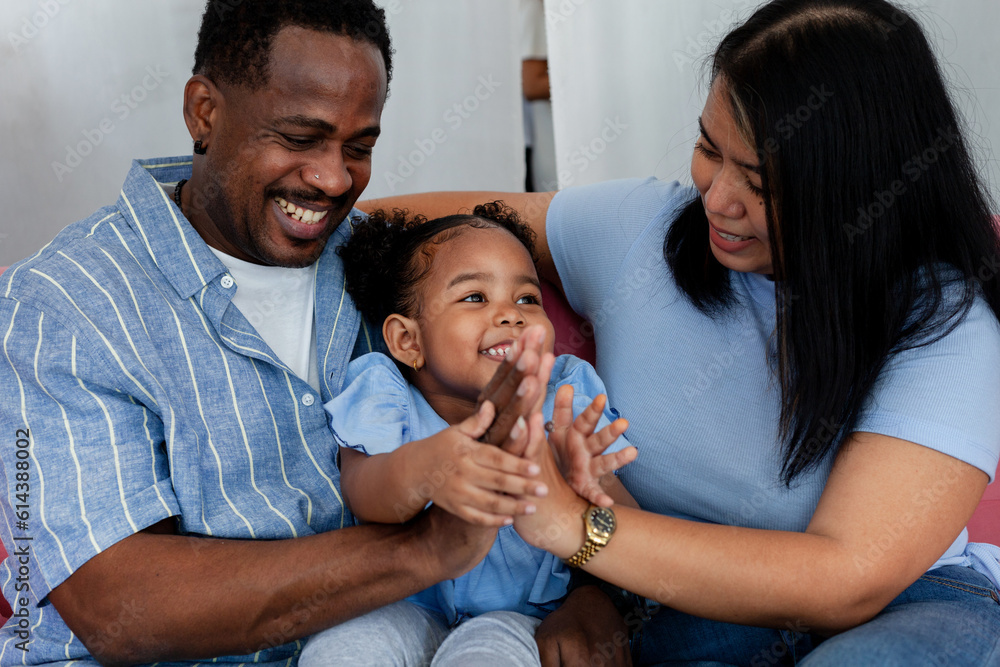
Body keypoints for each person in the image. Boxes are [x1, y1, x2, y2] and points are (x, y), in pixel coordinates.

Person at [360, 0, 1000, 663]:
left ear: (850, 186)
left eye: (758, 182)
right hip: (687, 611)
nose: (716, 197)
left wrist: (575, 526)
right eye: (707, 148)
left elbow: (845, 577)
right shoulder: (643, 230)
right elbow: (432, 232)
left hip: (906, 608)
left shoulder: (942, 321)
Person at [0, 2, 630, 665]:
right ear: (204, 113)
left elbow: (544, 448)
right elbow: (117, 607)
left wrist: (590, 585)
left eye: (359, 148)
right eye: (300, 137)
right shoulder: (64, 302)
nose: (334, 179)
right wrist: (423, 548)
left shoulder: (380, 267)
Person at [298, 204, 637, 666]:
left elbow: (632, 539)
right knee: (345, 649)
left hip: (523, 615)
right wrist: (434, 465)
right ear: (408, 342)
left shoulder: (566, 392)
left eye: (527, 299)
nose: (511, 316)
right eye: (475, 297)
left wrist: (590, 483)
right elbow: (365, 492)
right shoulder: (384, 389)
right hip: (407, 603)